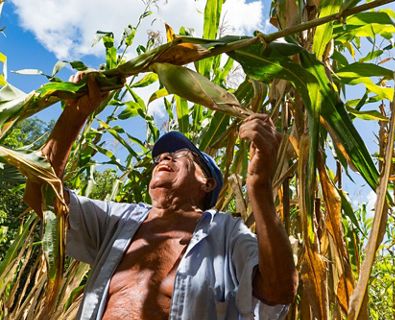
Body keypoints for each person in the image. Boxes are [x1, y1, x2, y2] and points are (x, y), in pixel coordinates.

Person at [38, 72, 297, 319]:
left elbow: (279, 290)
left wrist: (259, 188)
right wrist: (76, 113)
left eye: (182, 155)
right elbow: (42, 195)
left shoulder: (226, 234)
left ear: (206, 183)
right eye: (160, 157)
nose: (164, 157)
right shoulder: (118, 221)